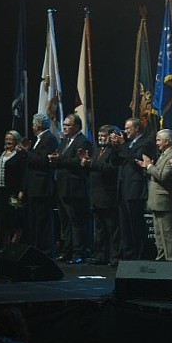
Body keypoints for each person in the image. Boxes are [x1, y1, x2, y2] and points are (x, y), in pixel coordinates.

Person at [49, 114, 92, 264]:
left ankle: (78, 253)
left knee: (76, 222)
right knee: (65, 222)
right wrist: (54, 159)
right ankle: (67, 251)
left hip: (74, 189)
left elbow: (77, 162)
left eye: (68, 125)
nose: (65, 127)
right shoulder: (65, 141)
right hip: (61, 187)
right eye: (64, 125)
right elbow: (60, 157)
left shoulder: (83, 142)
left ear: (77, 126)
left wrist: (59, 159)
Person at [113, 117, 154, 260]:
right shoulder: (129, 144)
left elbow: (135, 159)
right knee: (125, 225)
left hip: (135, 189)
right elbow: (118, 160)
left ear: (136, 129)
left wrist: (123, 144)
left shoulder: (146, 142)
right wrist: (116, 146)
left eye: (128, 128)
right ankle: (128, 254)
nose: (125, 131)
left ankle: (140, 255)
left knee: (136, 224)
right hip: (123, 188)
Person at [137, 129, 172, 261]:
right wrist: (147, 167)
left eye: (158, 140)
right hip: (157, 201)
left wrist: (149, 165)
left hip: (165, 201)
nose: (156, 143)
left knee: (167, 234)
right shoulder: (164, 154)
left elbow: (163, 176)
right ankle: (161, 258)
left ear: (167, 141)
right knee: (159, 234)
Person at [81, 125, 121, 266]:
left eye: (103, 136)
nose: (100, 138)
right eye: (99, 135)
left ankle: (114, 257)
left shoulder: (113, 152)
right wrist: (86, 164)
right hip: (96, 195)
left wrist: (92, 164)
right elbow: (92, 168)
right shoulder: (97, 150)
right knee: (99, 229)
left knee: (112, 229)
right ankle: (100, 255)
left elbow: (112, 170)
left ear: (110, 137)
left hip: (108, 196)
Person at [20, 113, 58, 255]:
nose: (32, 126)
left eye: (33, 124)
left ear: (38, 125)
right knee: (35, 220)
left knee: (43, 220)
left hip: (42, 186)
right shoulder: (38, 139)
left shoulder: (49, 139)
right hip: (33, 186)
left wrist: (26, 152)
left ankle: (46, 250)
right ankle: (37, 248)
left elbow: (42, 161)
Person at [0, 130, 27, 250]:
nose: (8, 142)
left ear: (16, 141)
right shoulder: (2, 154)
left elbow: (23, 174)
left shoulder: (19, 155)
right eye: (6, 139)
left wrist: (21, 191)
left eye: (10, 139)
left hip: (13, 191)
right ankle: (5, 246)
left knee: (14, 220)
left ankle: (13, 246)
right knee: (3, 221)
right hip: (2, 191)